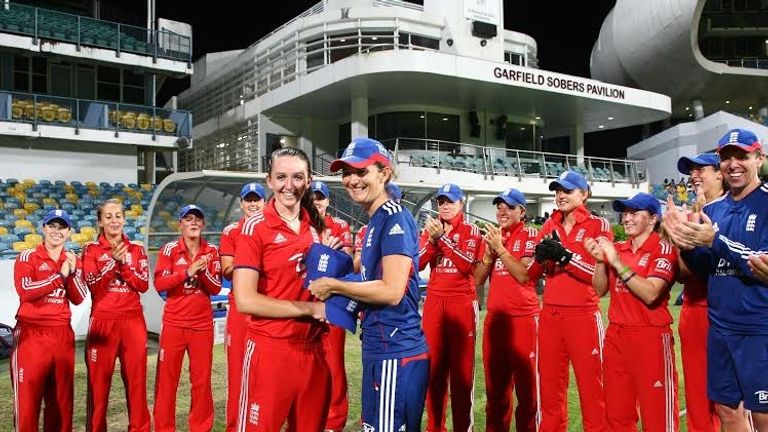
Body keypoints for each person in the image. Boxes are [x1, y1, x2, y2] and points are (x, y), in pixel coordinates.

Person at [308, 137, 429, 432]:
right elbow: (369, 277)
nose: (352, 180)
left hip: (395, 350)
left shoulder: (394, 218)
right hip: (381, 346)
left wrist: (334, 285)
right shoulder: (376, 219)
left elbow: (391, 290)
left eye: (361, 171)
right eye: (346, 173)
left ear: (384, 173)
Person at [664, 128, 768, 431]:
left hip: (758, 327)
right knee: (726, 410)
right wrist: (686, 242)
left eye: (742, 156)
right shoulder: (712, 210)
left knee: (763, 414)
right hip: (720, 326)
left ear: (759, 158)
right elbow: (709, 268)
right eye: (726, 157)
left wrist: (715, 240)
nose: (733, 164)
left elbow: (761, 264)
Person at [232, 147, 331, 431]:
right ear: (270, 181)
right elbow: (245, 300)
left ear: (308, 181)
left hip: (313, 349)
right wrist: (310, 308)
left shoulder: (316, 227)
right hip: (270, 349)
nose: (289, 185)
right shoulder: (254, 227)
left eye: (297, 177)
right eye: (281, 177)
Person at [584, 193, 680, 432]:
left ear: (653, 219)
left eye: (634, 213)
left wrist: (617, 263)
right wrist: (600, 261)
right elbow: (599, 290)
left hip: (650, 337)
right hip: (616, 337)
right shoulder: (618, 248)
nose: (626, 218)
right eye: (625, 213)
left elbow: (651, 293)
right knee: (617, 416)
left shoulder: (663, 249)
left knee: (658, 416)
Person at [528, 171, 612, 432]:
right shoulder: (549, 225)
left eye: (567, 190)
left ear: (584, 194)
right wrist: (539, 259)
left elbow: (600, 280)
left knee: (593, 389)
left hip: (583, 316)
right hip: (550, 316)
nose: (560, 195)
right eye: (557, 191)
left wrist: (565, 257)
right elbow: (531, 275)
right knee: (549, 389)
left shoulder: (599, 225)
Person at [10, 210, 88, 432]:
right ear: (43, 228)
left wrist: (72, 273)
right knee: (28, 402)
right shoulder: (28, 256)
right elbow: (26, 291)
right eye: (52, 226)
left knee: (60, 402)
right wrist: (59, 276)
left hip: (62, 335)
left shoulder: (73, 260)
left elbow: (79, 297)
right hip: (31, 334)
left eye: (62, 227)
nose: (56, 231)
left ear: (69, 232)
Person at [417, 183, 482, 431]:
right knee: (433, 370)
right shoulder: (431, 229)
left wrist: (442, 240)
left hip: (461, 301)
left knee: (461, 373)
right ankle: (435, 427)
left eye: (450, 202)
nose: (445, 206)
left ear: (461, 204)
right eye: (441, 202)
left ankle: (463, 427)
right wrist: (433, 241)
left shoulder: (470, 230)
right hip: (434, 301)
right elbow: (418, 263)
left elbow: (468, 266)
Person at [473, 188, 540, 432]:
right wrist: (489, 254)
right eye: (499, 206)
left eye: (510, 207)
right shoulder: (493, 237)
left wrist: (500, 249)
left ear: (522, 211)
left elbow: (524, 275)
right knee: (495, 392)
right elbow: (478, 279)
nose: (503, 211)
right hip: (496, 321)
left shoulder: (531, 235)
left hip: (523, 320)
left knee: (528, 393)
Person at [82, 198, 150, 432]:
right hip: (103, 321)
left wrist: (125, 265)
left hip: (133, 322)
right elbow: (93, 286)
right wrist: (113, 263)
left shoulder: (137, 250)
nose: (114, 220)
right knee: (98, 386)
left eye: (118, 216)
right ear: (100, 222)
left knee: (137, 383)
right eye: (108, 216)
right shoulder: (91, 250)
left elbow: (142, 285)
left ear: (124, 219)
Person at [153, 204, 222, 432]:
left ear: (203, 224)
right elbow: (160, 284)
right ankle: (164, 428)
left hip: (201, 326)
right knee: (167, 381)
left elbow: (215, 288)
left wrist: (203, 272)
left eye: (198, 219)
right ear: (180, 224)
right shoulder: (169, 249)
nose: (193, 222)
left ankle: (200, 427)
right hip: (174, 324)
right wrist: (187, 272)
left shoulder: (212, 250)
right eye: (188, 218)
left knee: (201, 382)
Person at [675, 153, 724, 432]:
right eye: (690, 171)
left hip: (729, 311)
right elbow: (684, 274)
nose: (693, 175)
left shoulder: (736, 210)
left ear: (720, 173)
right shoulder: (687, 216)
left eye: (700, 169)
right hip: (694, 309)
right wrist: (680, 238)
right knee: (697, 391)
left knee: (735, 397)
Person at [219, 181, 266, 432]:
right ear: (241, 204)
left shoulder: (271, 229)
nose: (253, 204)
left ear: (265, 203)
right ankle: (235, 425)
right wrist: (253, 260)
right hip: (240, 306)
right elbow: (227, 269)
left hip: (266, 305)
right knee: (237, 370)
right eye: (249, 200)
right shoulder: (231, 231)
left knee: (265, 371)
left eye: (257, 199)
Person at [310, 179, 353, 432]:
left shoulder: (339, 225)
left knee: (334, 362)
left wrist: (324, 254)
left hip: (333, 301)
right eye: (312, 197)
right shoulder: (299, 225)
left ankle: (334, 422)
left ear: (327, 201)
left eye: (321, 197)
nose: (316, 201)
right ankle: (309, 416)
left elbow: (348, 261)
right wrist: (323, 252)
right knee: (305, 361)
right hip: (305, 301)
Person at [353, 182, 402, 273]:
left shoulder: (404, 228)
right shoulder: (364, 230)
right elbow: (355, 267)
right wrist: (371, 249)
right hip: (371, 279)